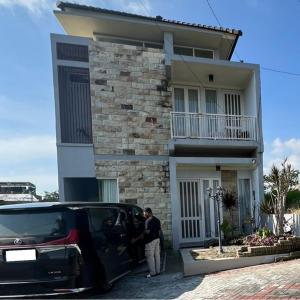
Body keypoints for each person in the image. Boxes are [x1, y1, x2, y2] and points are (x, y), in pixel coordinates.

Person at [143, 207, 161, 278]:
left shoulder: (147, 221)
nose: (144, 214)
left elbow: (147, 232)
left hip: (150, 241)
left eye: (144, 213)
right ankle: (158, 271)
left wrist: (143, 232)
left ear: (147, 212)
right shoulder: (157, 220)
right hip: (157, 239)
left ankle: (152, 273)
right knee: (157, 256)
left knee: (150, 257)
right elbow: (159, 231)